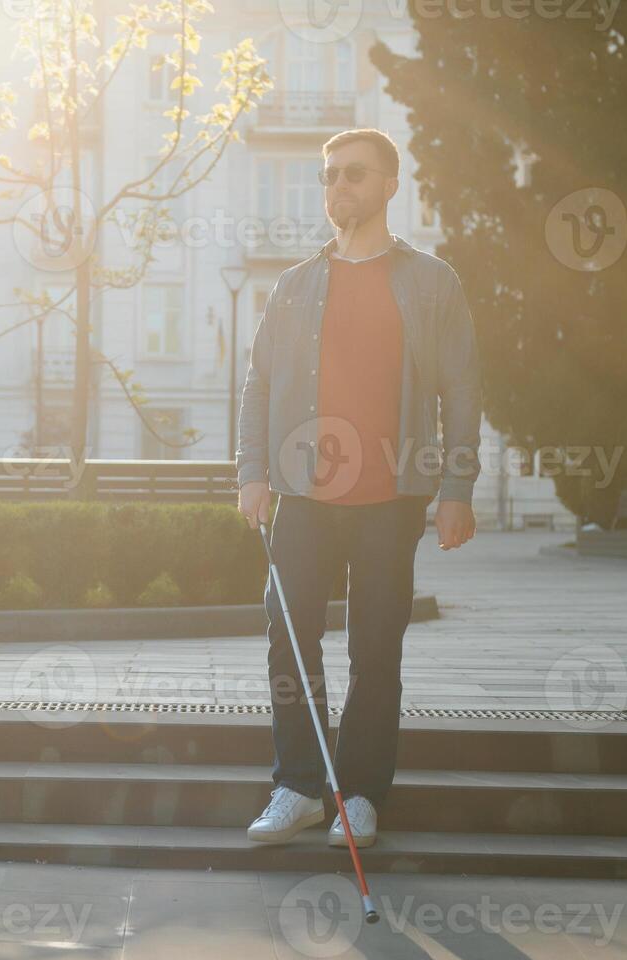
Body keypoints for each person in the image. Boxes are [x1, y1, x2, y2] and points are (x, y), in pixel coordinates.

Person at [235, 127, 482, 848]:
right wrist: (252, 472)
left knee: (376, 648)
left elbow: (460, 388)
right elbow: (259, 383)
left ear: (388, 185)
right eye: (328, 175)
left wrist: (456, 487)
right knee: (288, 636)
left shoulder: (431, 282)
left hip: (390, 497)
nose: (337, 187)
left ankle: (361, 794)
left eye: (353, 174)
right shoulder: (294, 284)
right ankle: (297, 787)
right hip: (303, 496)